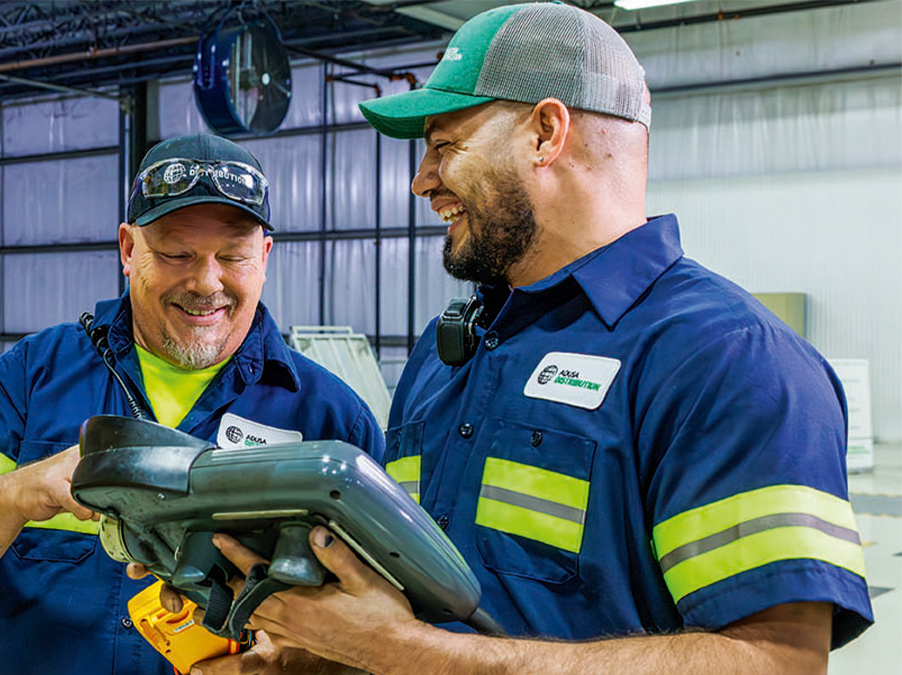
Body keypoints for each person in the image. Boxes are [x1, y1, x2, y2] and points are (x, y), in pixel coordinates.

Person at [196, 4, 873, 674]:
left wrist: (399, 652)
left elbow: (776, 659)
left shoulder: (727, 359)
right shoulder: (442, 355)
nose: (421, 181)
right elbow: (420, 616)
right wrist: (321, 656)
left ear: (547, 132)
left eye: (443, 146)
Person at [0, 133, 385, 675]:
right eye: (177, 253)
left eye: (233, 256)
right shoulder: (34, 375)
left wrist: (301, 663)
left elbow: (390, 632)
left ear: (264, 256)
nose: (206, 281)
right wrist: (19, 492)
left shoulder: (333, 423)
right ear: (129, 249)